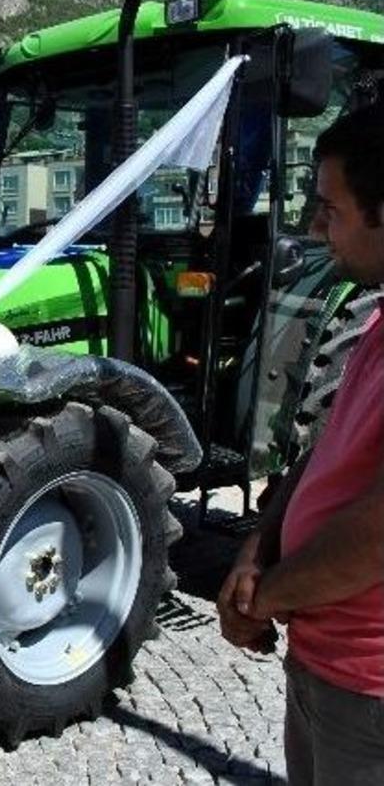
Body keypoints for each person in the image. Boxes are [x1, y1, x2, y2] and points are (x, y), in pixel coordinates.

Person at [218, 105, 384, 786]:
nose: (316, 227)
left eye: (330, 208)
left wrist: (264, 597)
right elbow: (326, 447)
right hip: (322, 665)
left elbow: (374, 539)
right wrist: (256, 549)